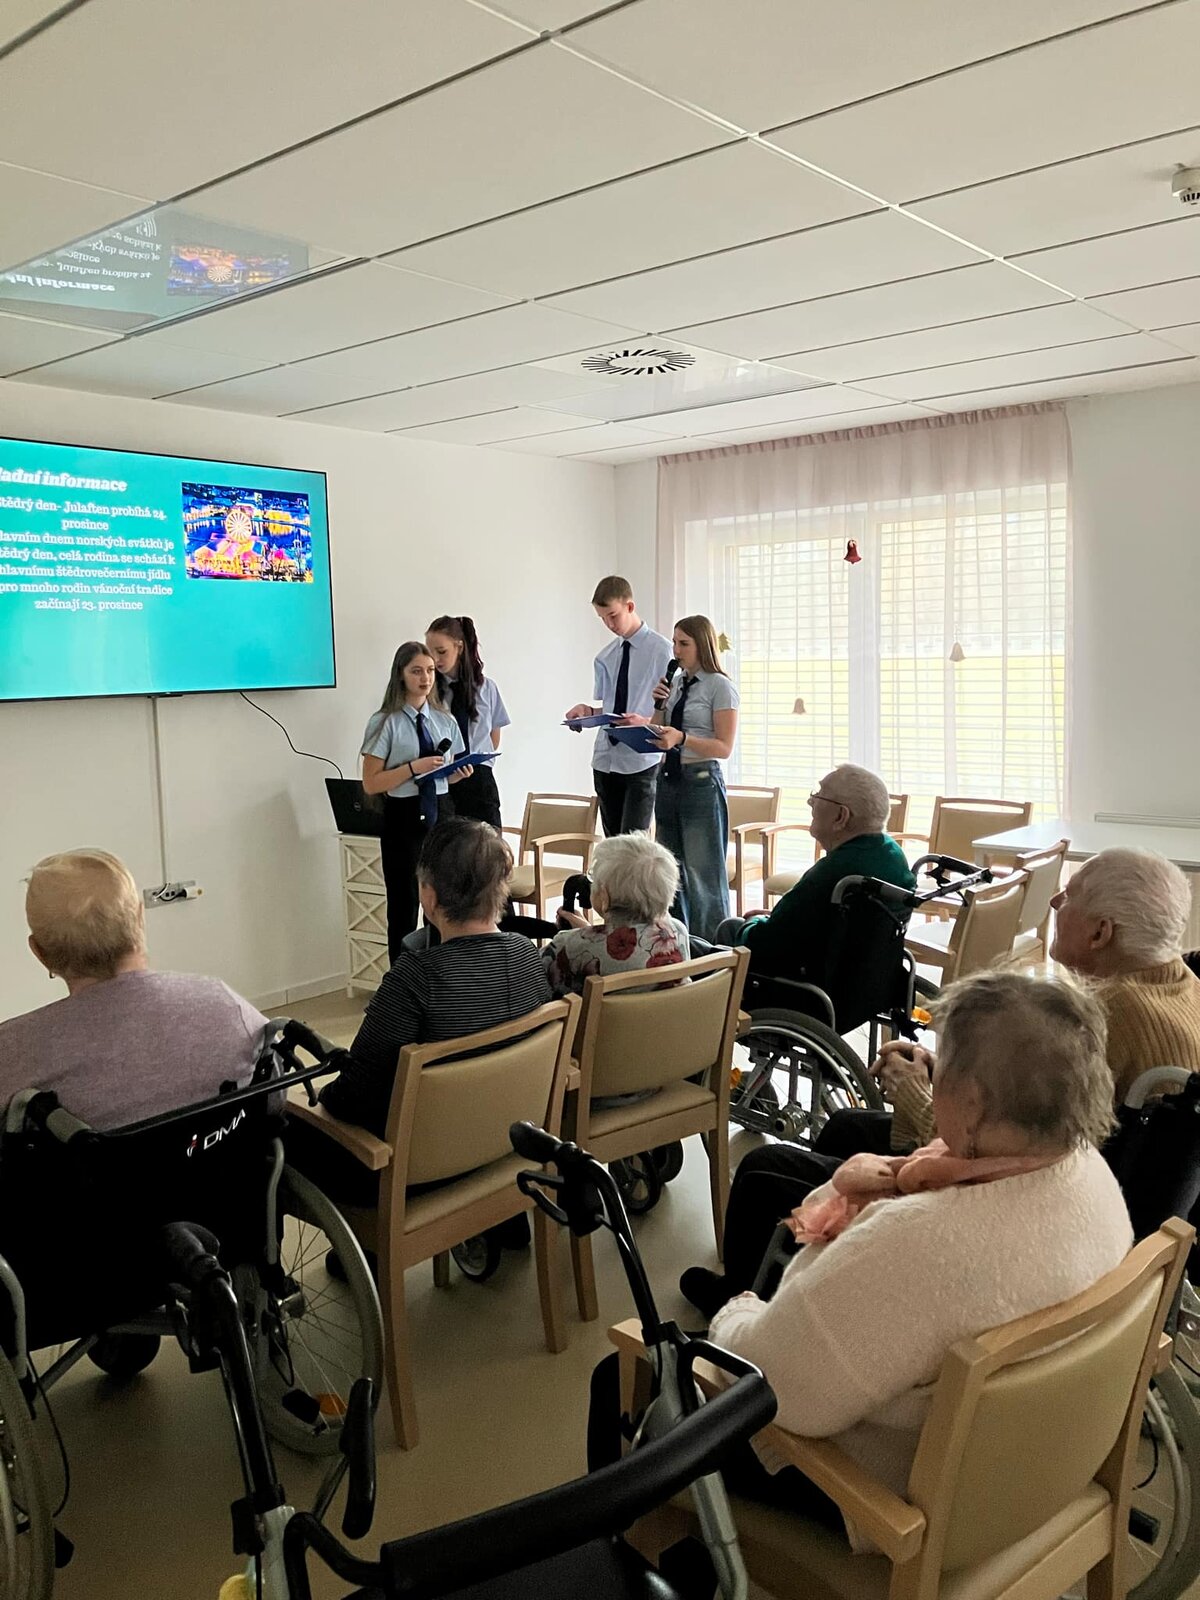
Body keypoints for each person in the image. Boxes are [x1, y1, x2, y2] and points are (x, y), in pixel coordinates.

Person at [624, 970, 1132, 1548]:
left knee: (629, 1375)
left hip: (893, 1502)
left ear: (972, 1104)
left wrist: (738, 1310)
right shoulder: (1090, 1175)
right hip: (1028, 1478)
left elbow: (777, 1389)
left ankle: (638, 1567)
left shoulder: (919, 1240)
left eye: (942, 1067)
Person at [285, 819, 551, 1206]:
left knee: (278, 1131)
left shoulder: (416, 978)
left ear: (428, 895)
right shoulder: (527, 955)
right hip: (506, 1145)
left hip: (417, 1175)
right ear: (501, 889)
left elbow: (353, 1096)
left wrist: (317, 1099)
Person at [0, 849, 267, 1129]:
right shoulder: (223, 1004)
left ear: (40, 953)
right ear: (140, 918)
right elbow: (273, 1100)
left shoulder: (13, 1051)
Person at [718, 764, 914, 979]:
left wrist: (754, 922)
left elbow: (762, 944)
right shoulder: (892, 854)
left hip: (803, 981)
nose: (810, 802)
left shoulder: (834, 872)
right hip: (867, 978)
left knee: (730, 928)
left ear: (841, 816)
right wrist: (777, 917)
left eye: (819, 795)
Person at [620, 615, 739, 943]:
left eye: (684, 643)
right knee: (670, 871)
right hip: (668, 779)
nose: (676, 650)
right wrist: (658, 705)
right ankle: (678, 946)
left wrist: (682, 738)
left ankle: (714, 951)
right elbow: (660, 729)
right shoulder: (675, 683)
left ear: (703, 645)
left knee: (703, 874)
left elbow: (724, 747)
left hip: (700, 780)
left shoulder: (720, 686)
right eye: (674, 642)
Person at [360, 641, 474, 963]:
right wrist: (412, 768)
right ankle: (401, 981)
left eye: (430, 671)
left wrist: (458, 774)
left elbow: (444, 775)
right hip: (403, 816)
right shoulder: (385, 721)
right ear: (400, 675)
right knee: (403, 904)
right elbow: (371, 782)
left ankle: (438, 975)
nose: (425, 678)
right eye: (416, 671)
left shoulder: (444, 719)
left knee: (442, 904)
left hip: (441, 811)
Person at [564, 576, 672, 839]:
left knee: (633, 846)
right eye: (603, 618)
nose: (609, 625)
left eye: (613, 615)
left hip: (641, 760)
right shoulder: (605, 656)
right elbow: (610, 708)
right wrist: (588, 713)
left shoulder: (663, 652)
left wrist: (644, 721)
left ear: (630, 606)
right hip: (605, 760)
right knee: (612, 845)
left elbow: (675, 712)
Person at [542, 832, 689, 998]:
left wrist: (579, 936)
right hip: (670, 1015)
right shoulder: (677, 932)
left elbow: (532, 977)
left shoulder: (570, 945)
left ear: (605, 898)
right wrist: (588, 932)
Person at [425, 614, 509, 830]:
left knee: (488, 844)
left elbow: (494, 737)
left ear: (459, 647)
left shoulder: (486, 688)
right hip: (445, 779)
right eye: (430, 653)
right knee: (448, 844)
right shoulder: (430, 693)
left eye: (441, 651)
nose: (435, 659)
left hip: (480, 778)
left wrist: (474, 760)